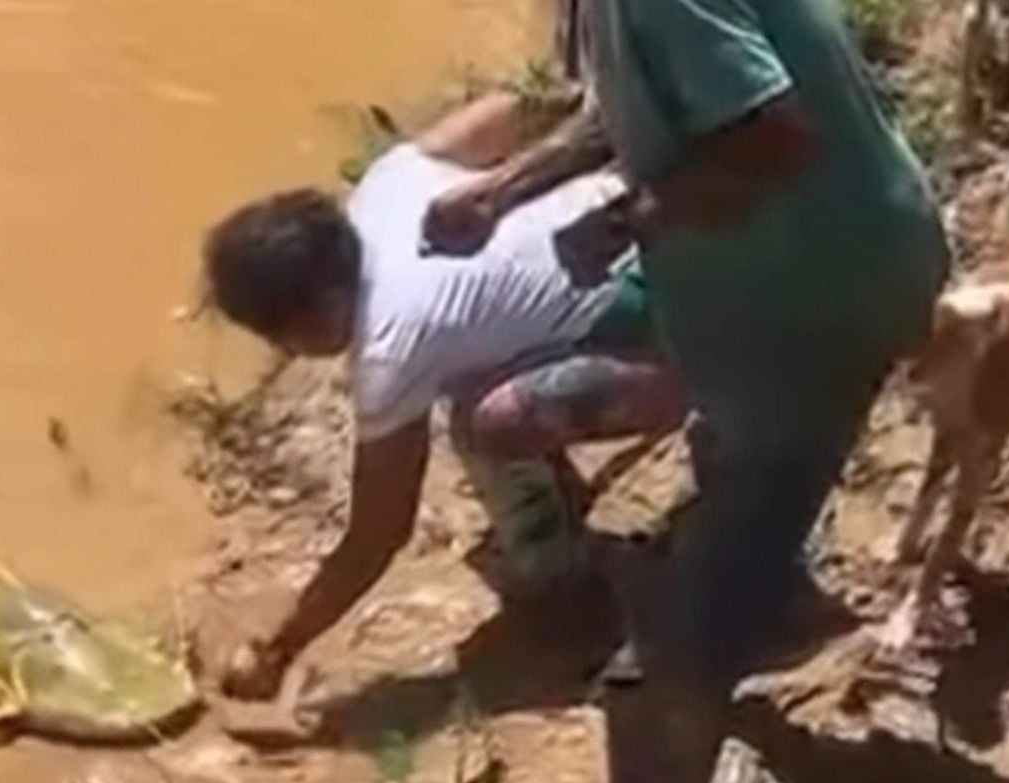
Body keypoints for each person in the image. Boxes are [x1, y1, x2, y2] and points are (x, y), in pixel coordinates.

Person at [423, 0, 951, 783]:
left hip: (816, 292)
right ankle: (774, 604)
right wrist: (505, 189)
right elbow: (654, 109)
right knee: (741, 480)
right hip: (793, 271)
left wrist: (635, 215)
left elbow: (772, 133)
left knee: (698, 588)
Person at [204, 89, 687, 703]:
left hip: (689, 329)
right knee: (482, 372)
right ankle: (564, 505)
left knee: (485, 427)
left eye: (282, 336)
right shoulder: (385, 186)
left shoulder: (390, 349)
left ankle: (568, 582)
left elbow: (379, 534)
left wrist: (277, 648)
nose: (286, 351)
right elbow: (510, 109)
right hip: (662, 221)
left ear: (322, 309)